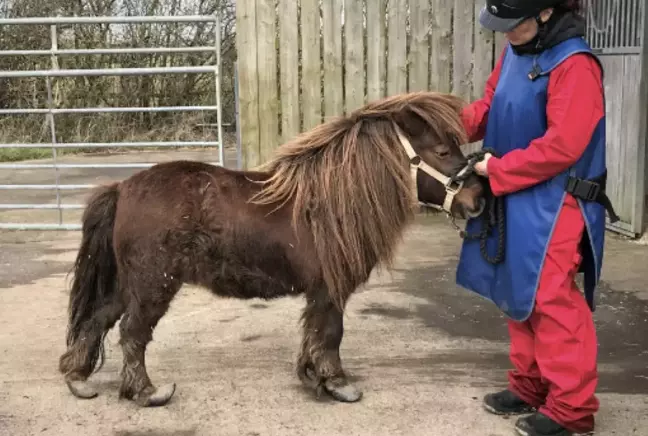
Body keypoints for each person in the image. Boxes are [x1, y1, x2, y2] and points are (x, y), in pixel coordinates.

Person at [455, 1, 619, 435]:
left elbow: (564, 145)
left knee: (552, 300)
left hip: (557, 202)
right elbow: (491, 104)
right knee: (516, 289)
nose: (505, 33)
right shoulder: (517, 48)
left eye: (513, 24)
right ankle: (530, 385)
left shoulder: (575, 65)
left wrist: (499, 171)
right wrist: (446, 124)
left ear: (545, 13)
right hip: (514, 193)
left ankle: (572, 409)